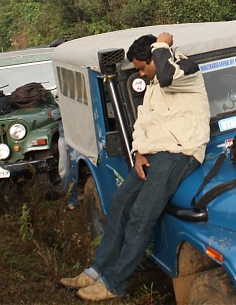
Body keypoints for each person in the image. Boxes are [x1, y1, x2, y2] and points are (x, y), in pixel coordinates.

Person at [59, 32, 211, 301]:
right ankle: (98, 269)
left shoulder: (186, 70)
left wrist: (162, 43)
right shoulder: (153, 84)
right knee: (119, 205)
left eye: (142, 67)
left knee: (142, 215)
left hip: (181, 153)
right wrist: (139, 152)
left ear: (155, 56)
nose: (140, 74)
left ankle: (115, 283)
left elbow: (166, 75)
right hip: (153, 154)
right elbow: (141, 123)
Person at [58, 123, 80, 211]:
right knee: (65, 170)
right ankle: (72, 201)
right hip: (64, 135)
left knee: (68, 169)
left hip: (78, 134)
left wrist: (54, 113)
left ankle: (73, 201)